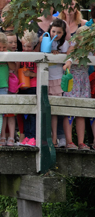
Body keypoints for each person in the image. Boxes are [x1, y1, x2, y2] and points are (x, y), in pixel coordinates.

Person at [62, 26, 91, 150]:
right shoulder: (73, 47)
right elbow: (69, 56)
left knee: (81, 112)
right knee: (70, 111)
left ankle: (81, 142)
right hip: (73, 80)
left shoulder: (90, 49)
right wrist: (69, 60)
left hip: (84, 81)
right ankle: (69, 141)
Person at [45, 19, 68, 147]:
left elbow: (66, 55)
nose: (55, 34)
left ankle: (55, 137)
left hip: (57, 79)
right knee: (46, 108)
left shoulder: (64, 44)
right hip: (46, 78)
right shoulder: (46, 40)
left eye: (59, 32)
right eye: (53, 31)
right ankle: (48, 136)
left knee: (55, 110)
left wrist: (58, 54)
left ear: (63, 33)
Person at [18, 31, 38, 147]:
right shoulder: (21, 54)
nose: (26, 48)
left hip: (33, 86)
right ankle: (26, 135)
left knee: (32, 113)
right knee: (25, 112)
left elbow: (41, 72)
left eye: (28, 46)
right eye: (24, 45)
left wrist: (31, 74)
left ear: (34, 45)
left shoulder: (36, 55)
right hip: (23, 86)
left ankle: (33, 136)